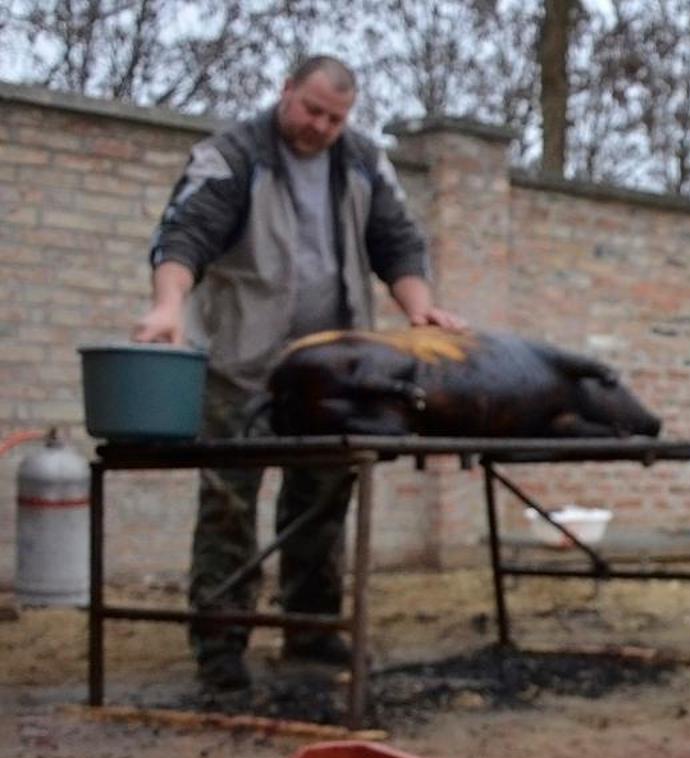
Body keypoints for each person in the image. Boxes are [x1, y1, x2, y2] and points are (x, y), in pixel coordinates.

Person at [134, 54, 464, 694]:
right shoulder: (233, 154)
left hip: (331, 371)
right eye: (312, 110)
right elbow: (185, 235)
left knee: (323, 499)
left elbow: (397, 240)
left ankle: (311, 631)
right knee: (229, 502)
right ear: (285, 91)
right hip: (242, 364)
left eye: (336, 119)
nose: (321, 127)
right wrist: (168, 303)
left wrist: (418, 305)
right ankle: (220, 644)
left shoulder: (364, 162)